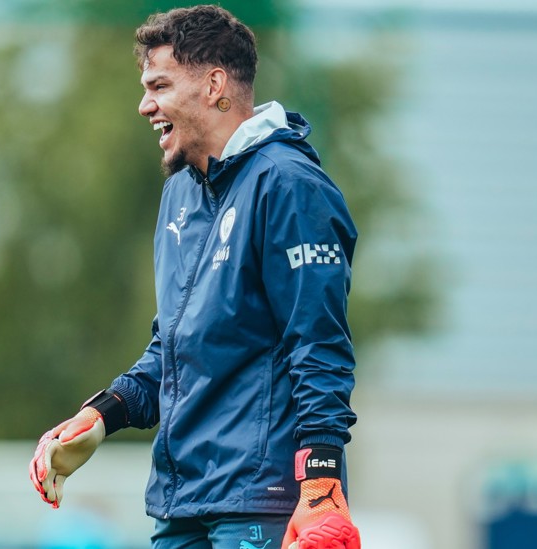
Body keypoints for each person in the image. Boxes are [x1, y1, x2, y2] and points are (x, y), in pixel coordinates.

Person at [30, 5, 361, 549]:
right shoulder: (180, 194)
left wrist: (321, 481)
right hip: (182, 505)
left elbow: (319, 348)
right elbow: (173, 352)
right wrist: (100, 416)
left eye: (159, 85)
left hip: (261, 505)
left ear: (214, 85)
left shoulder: (290, 186)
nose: (144, 106)